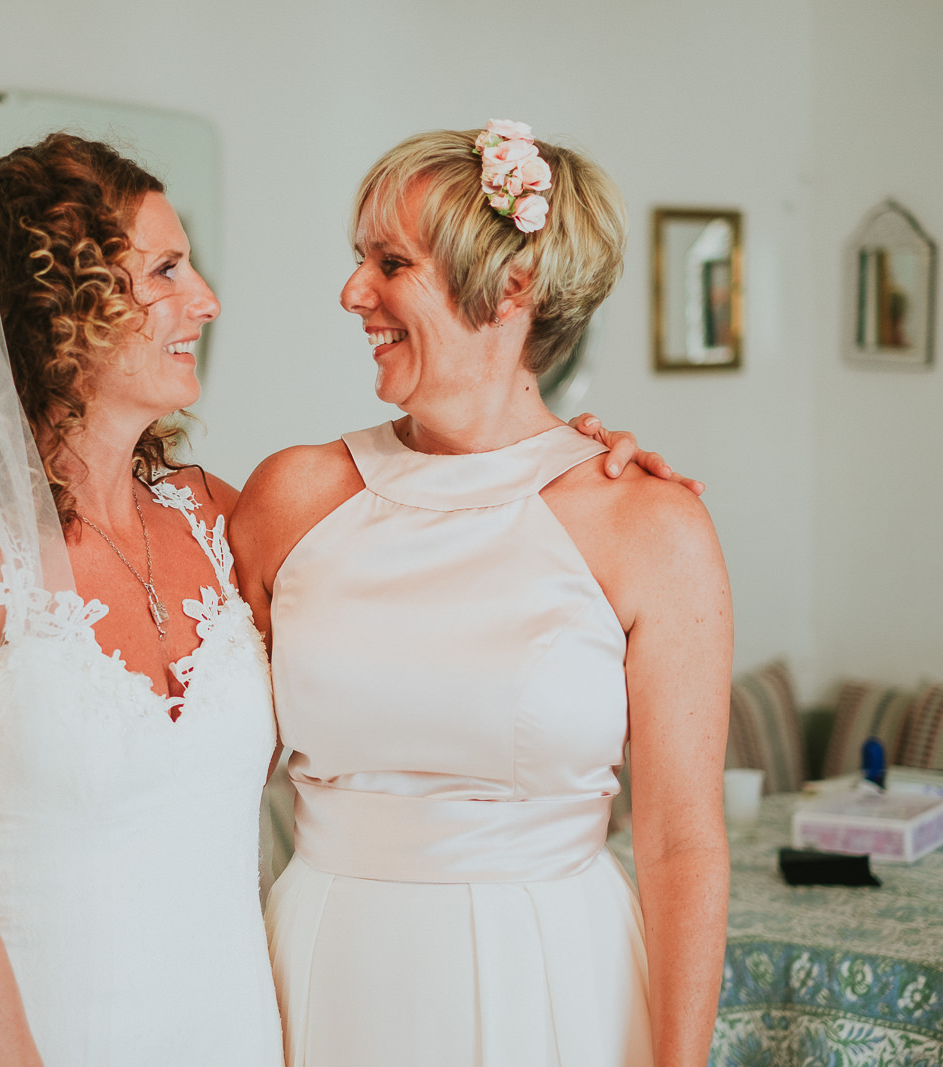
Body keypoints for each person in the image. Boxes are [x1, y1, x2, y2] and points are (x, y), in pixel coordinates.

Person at [0, 131, 683, 1067]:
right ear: (54, 308)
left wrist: (561, 459)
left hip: (233, 1026)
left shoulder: (214, 519)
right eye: (164, 271)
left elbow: (423, 598)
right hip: (33, 1034)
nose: (206, 300)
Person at [234, 121, 732, 1066]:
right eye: (358, 259)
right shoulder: (291, 498)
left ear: (510, 287)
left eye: (391, 262)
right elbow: (202, 768)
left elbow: (681, 844)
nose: (353, 294)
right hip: (323, 969)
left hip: (548, 975)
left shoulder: (649, 526)